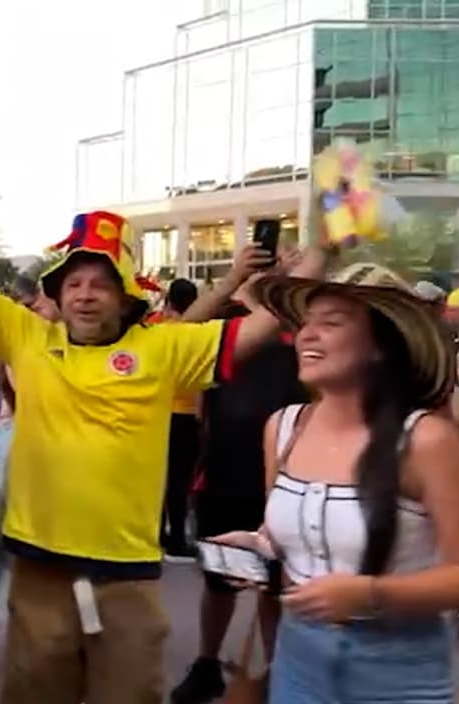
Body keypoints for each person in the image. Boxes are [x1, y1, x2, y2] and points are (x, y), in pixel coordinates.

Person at [0, 138, 327, 704]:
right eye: (73, 282)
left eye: (100, 282)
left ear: (124, 295)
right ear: (56, 292)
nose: (85, 295)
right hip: (38, 577)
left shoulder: (163, 347)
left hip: (127, 583)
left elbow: (267, 324)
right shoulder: (28, 337)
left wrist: (322, 253)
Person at [217, 263, 459, 703]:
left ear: (381, 345)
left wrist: (369, 593)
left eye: (332, 323)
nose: (308, 335)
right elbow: (286, 536)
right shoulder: (283, 428)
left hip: (399, 673)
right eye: (306, 323)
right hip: (297, 659)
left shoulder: (428, 440)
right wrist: (258, 546)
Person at [172, 278, 308, 704]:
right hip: (224, 474)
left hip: (283, 478)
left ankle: (273, 675)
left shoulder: (299, 331)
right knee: (219, 580)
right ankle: (207, 664)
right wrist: (236, 281)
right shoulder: (225, 329)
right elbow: (182, 330)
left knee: (273, 586)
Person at [159, 279, 204, 561]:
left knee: (158, 478)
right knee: (179, 480)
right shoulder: (196, 335)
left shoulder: (158, 333)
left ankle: (157, 534)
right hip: (186, 415)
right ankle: (177, 538)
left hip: (158, 414)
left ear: (169, 302)